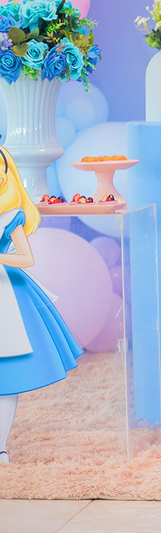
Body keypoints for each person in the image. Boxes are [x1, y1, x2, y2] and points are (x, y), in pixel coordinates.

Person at [0, 146, 84, 464]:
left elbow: (26, 258)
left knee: (8, 374)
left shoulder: (10, 217)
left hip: (7, 293)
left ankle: (1, 446)